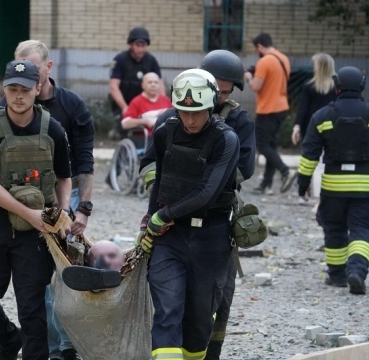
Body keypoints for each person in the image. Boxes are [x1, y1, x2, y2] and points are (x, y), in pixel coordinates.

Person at [140, 50, 256, 360]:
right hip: (170, 229)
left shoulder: (234, 127)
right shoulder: (168, 124)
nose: (190, 118)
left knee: (207, 311)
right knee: (167, 307)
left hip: (213, 229)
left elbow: (241, 170)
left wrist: (204, 176)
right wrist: (156, 207)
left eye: (225, 91)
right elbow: (152, 165)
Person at [0, 59, 72, 360]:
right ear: (4, 89)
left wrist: (63, 212)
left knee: (32, 309)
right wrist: (30, 215)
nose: (18, 95)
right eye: (12, 88)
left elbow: (65, 177)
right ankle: (9, 339)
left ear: (37, 89)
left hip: (35, 234)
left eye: (25, 89)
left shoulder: (52, 128)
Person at [13, 39, 94, 360]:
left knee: (63, 272)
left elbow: (85, 161)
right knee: (35, 275)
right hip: (23, 196)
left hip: (64, 192)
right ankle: (47, 344)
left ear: (48, 68)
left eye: (33, 69)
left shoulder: (73, 106)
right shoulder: (12, 106)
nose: (25, 78)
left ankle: (66, 345)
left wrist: (83, 209)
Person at [297, 66, 369, 295]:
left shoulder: (322, 116)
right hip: (366, 186)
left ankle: (336, 276)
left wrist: (302, 185)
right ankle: (356, 271)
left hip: (333, 186)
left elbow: (309, 155)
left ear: (337, 86)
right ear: (362, 86)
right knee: (362, 229)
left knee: (333, 228)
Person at [244, 32, 296, 195]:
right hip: (282, 107)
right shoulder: (284, 59)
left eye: (256, 49)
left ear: (259, 46)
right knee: (271, 146)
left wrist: (248, 77)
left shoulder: (264, 61)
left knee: (262, 145)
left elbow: (256, 86)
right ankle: (266, 184)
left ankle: (286, 171)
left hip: (268, 109)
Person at [109, 27, 162, 139]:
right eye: (138, 45)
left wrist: (161, 103)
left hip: (143, 104)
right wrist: (124, 108)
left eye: (143, 46)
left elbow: (159, 84)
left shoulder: (151, 60)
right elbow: (114, 87)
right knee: (126, 132)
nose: (141, 49)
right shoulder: (120, 60)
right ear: (131, 45)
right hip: (124, 103)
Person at [291, 53, 337, 145]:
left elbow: (302, 108)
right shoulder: (338, 86)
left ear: (320, 67)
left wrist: (297, 127)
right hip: (333, 125)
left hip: (311, 125)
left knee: (310, 155)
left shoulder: (309, 86)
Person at [120, 72, 170, 137]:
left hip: (166, 137)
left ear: (159, 85)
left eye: (156, 82)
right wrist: (145, 121)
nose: (153, 85)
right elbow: (125, 123)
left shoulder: (166, 100)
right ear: (143, 85)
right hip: (146, 139)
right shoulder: (137, 102)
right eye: (150, 82)